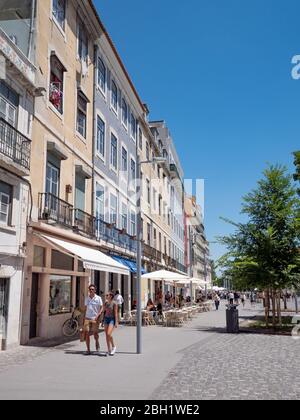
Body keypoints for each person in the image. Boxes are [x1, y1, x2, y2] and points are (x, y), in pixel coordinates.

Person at [83, 284, 103, 355]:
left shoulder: (98, 298)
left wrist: (98, 316)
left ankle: (97, 342)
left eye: (92, 289)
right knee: (87, 334)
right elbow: (85, 309)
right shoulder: (86, 298)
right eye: (90, 289)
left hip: (95, 318)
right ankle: (88, 350)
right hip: (87, 318)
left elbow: (101, 308)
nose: (91, 290)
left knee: (95, 334)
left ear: (95, 290)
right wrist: (84, 318)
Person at [103, 291, 119, 356]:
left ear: (111, 296)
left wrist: (116, 322)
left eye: (107, 295)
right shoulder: (106, 303)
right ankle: (109, 350)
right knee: (106, 335)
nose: (106, 296)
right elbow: (104, 311)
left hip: (112, 319)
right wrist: (102, 320)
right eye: (106, 295)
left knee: (109, 334)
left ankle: (113, 346)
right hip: (106, 319)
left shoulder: (114, 303)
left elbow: (115, 313)